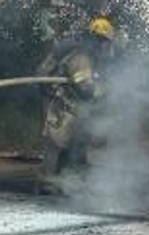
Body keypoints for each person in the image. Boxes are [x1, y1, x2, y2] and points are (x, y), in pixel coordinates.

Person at [37, 16, 117, 177]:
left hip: (67, 104)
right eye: (105, 43)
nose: (106, 48)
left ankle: (66, 179)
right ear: (99, 40)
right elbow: (84, 87)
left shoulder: (85, 54)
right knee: (58, 143)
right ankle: (49, 181)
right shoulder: (81, 57)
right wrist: (103, 91)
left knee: (74, 140)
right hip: (61, 106)